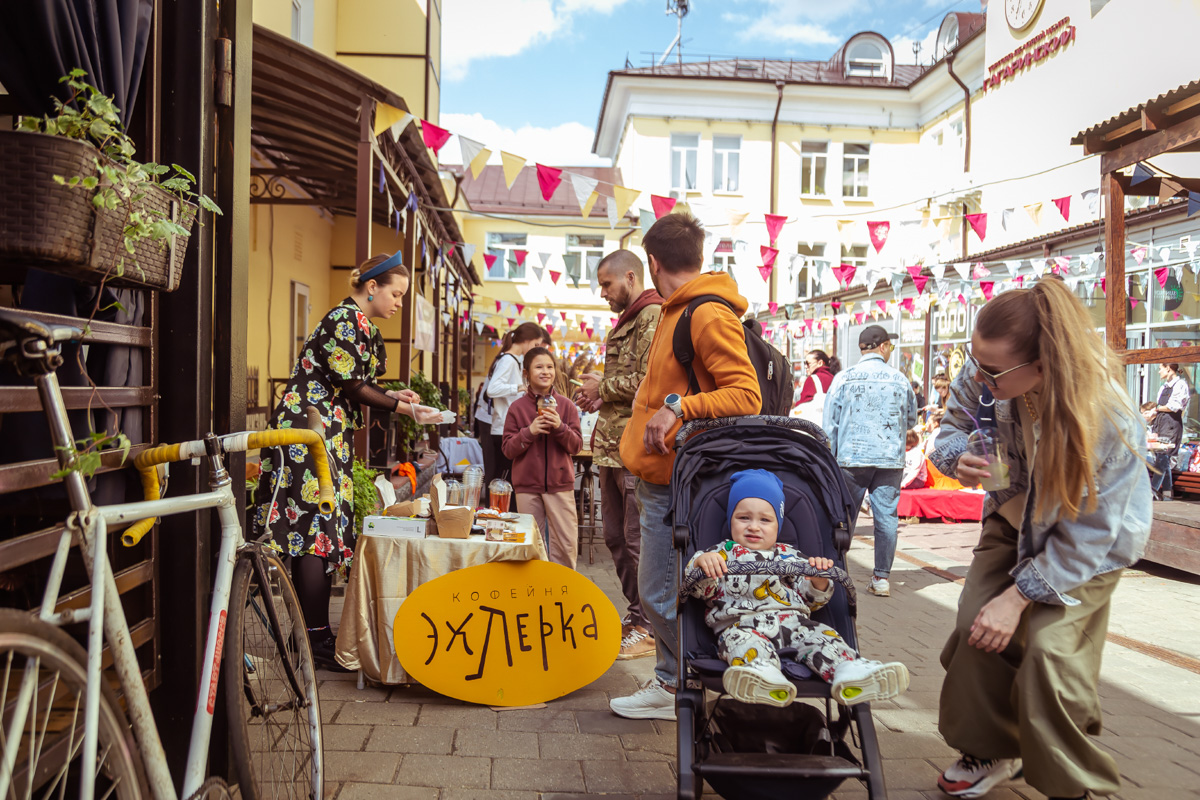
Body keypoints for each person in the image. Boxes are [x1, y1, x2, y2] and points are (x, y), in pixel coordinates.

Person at [930, 279, 1151, 800]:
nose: (980, 378)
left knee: (1050, 654)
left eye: (993, 371)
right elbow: (950, 426)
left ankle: (1074, 784)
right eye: (974, 362)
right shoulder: (989, 368)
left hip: (1086, 548)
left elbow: (1089, 534)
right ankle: (989, 748)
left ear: (1043, 366)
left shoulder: (1108, 416)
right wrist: (952, 454)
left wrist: (1017, 599)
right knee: (975, 627)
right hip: (1010, 518)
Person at [252, 251, 442, 670]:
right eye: (395, 293)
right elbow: (353, 385)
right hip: (309, 436)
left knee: (313, 532)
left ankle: (310, 635)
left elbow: (353, 381)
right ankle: (316, 640)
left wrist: (396, 395)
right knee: (313, 532)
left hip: (319, 434)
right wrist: (402, 407)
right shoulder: (345, 320)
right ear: (372, 287)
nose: (398, 303)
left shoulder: (353, 322)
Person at [609, 212, 761, 721]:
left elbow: (746, 395)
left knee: (658, 591)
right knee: (667, 588)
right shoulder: (678, 309)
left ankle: (681, 683)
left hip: (679, 478)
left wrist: (678, 406)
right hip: (661, 473)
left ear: (652, 262)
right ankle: (678, 682)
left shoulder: (704, 312)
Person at [685, 469, 910, 708]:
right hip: (741, 624)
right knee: (741, 643)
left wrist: (818, 580)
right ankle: (763, 677)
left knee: (823, 636)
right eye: (743, 518)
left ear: (778, 524)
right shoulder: (719, 554)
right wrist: (701, 564)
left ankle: (848, 671)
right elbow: (700, 591)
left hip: (794, 624)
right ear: (730, 519)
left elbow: (810, 600)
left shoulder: (789, 556)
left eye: (764, 520)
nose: (753, 527)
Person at [576, 250, 663, 660]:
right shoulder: (630, 319)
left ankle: (649, 627)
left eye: (607, 284)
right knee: (614, 537)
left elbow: (652, 381)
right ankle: (636, 614)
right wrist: (600, 396)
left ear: (631, 276)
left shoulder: (652, 316)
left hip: (633, 452)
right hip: (610, 449)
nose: (603, 293)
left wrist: (602, 388)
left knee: (634, 540)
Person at [822, 325, 918, 598]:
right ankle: (881, 578)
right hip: (890, 457)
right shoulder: (899, 379)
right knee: (886, 516)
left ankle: (837, 570)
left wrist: (830, 456)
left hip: (851, 458)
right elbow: (911, 419)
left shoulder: (844, 378)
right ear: (883, 346)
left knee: (844, 516)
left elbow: (830, 425)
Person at [502, 347, 583, 568]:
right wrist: (530, 431)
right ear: (526, 374)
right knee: (530, 546)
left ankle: (564, 594)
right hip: (527, 486)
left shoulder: (566, 406)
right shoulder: (516, 408)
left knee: (566, 546)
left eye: (549, 367)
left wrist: (560, 427)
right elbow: (508, 449)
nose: (545, 372)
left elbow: (576, 446)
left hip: (560, 485)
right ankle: (534, 593)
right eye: (539, 367)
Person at [486, 322, 544, 481]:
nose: (535, 348)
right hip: (504, 428)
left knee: (505, 477)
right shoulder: (508, 360)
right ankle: (498, 507)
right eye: (535, 344)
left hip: (507, 427)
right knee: (503, 479)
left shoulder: (513, 360)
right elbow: (492, 389)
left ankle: (500, 506)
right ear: (527, 340)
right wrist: (519, 388)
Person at [1150, 363, 1189, 501]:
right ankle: (1167, 494)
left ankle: (1152, 491)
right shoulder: (1163, 387)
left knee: (1162, 459)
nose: (1159, 372)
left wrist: (1157, 409)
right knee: (1163, 459)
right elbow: (1162, 407)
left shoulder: (1180, 385)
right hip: (1161, 424)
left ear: (1168, 368)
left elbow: (1174, 406)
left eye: (1160, 368)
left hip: (1171, 425)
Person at [792, 349, 840, 424]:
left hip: (815, 427)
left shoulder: (812, 379)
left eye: (808, 363)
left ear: (820, 363)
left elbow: (802, 404)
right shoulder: (835, 379)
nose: (805, 367)